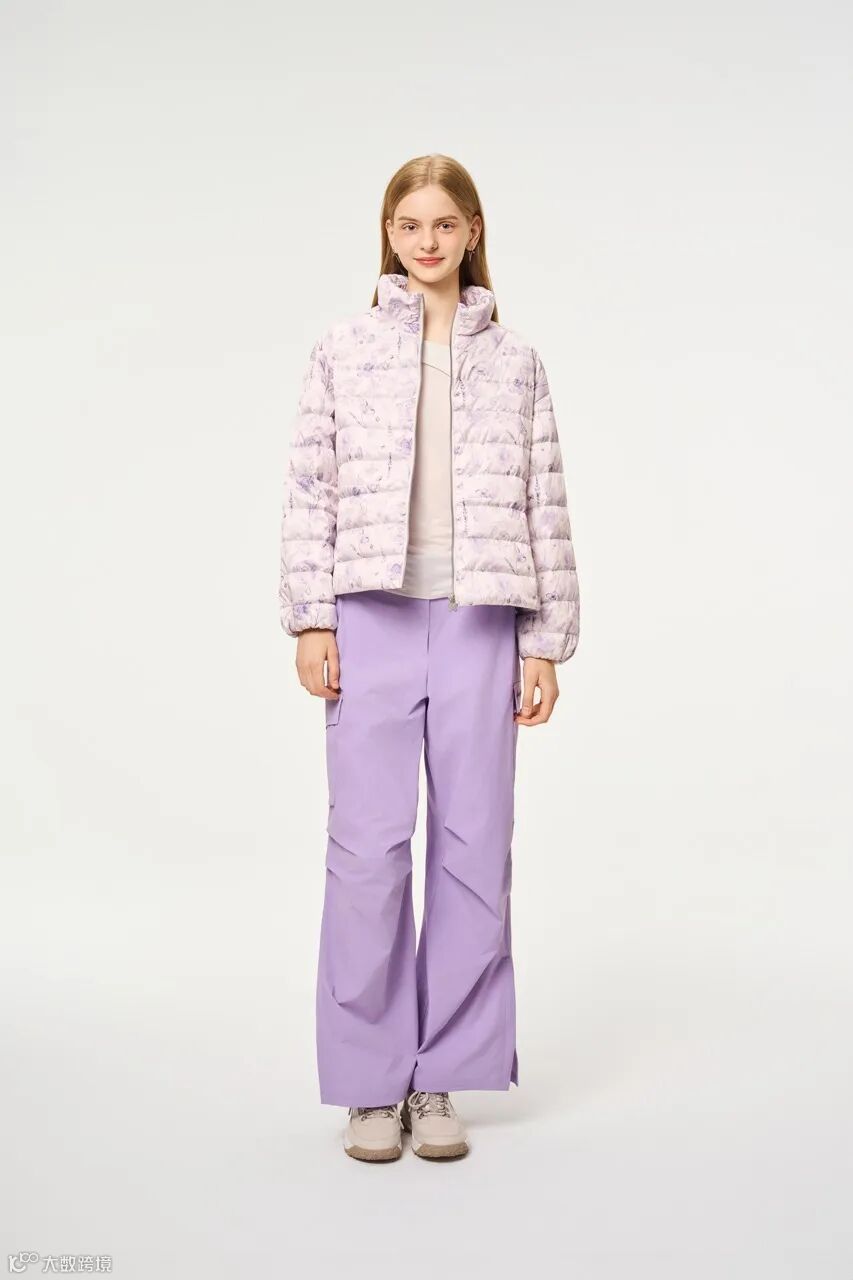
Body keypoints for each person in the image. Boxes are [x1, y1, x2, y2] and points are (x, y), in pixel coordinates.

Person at [279, 153, 580, 1162]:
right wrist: (311, 619)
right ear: (389, 234)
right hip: (369, 616)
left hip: (479, 621)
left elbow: (544, 499)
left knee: (472, 849)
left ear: (472, 231)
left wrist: (545, 641)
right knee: (366, 852)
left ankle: (440, 1076)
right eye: (409, 224)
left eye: (444, 223)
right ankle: (371, 1085)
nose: (426, 241)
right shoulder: (344, 347)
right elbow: (310, 487)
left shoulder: (516, 360)